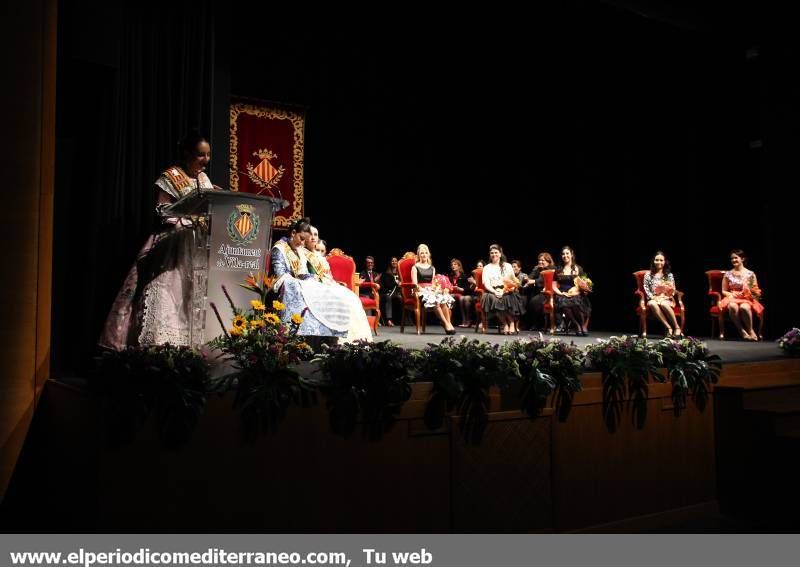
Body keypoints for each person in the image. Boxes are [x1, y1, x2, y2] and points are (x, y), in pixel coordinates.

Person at [99, 130, 216, 349]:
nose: (206, 160)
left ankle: (192, 346)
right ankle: (161, 346)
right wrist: (186, 221)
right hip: (173, 244)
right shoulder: (171, 176)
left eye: (208, 155)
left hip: (197, 244)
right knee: (169, 292)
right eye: (201, 155)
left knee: (194, 295)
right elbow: (163, 211)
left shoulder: (204, 179)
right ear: (187, 154)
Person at [271, 218, 372, 343]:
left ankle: (328, 337)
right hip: (288, 283)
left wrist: (309, 278)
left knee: (340, 293)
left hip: (303, 282)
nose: (303, 243)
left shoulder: (298, 248)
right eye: (302, 239)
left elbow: (303, 272)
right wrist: (301, 280)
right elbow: (280, 275)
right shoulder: (280, 249)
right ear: (293, 233)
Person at [480, 244, 525, 335]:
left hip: (507, 291)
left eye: (496, 252)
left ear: (500, 254)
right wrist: (495, 291)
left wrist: (505, 290)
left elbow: (513, 281)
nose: (494, 254)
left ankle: (511, 323)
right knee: (494, 299)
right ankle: (505, 324)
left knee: (505, 298)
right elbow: (486, 283)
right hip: (492, 291)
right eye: (492, 253)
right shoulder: (486, 268)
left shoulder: (507, 266)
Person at [719, 249, 764, 341]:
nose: (733, 260)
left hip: (746, 298)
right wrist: (732, 294)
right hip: (733, 298)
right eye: (732, 258)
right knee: (732, 306)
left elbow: (755, 289)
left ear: (742, 259)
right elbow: (724, 291)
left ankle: (751, 330)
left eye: (736, 258)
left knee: (744, 307)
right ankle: (742, 331)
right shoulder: (728, 274)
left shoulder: (750, 274)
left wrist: (748, 292)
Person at [411, 244, 456, 334]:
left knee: (443, 300)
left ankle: (448, 324)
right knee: (435, 301)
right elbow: (414, 284)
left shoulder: (432, 268)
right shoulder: (415, 267)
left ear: (428, 254)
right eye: (422, 253)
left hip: (430, 290)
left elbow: (433, 283)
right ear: (419, 255)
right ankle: (446, 324)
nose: (424, 255)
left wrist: (436, 289)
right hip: (419, 291)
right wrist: (425, 290)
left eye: (426, 253)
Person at [553, 246, 591, 336]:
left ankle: (582, 325)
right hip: (563, 293)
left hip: (576, 292)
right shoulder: (558, 269)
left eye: (567, 253)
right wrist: (560, 293)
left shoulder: (578, 268)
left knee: (576, 302)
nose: (565, 255)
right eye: (563, 254)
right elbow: (554, 286)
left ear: (571, 254)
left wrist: (585, 287)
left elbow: (584, 282)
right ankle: (577, 325)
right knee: (564, 303)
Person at [643, 251, 681, 336]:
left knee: (663, 304)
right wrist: (652, 297)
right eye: (657, 260)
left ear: (664, 262)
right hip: (653, 298)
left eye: (661, 260)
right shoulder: (648, 274)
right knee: (652, 303)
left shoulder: (669, 275)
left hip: (666, 298)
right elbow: (646, 288)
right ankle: (668, 327)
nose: (659, 262)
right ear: (653, 261)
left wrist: (666, 296)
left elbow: (673, 289)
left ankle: (677, 327)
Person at [523, 252, 555, 331]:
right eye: (539, 260)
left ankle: (539, 324)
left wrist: (533, 281)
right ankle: (532, 324)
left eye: (542, 260)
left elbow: (543, 280)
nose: (540, 262)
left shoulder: (551, 268)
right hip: (538, 291)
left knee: (535, 301)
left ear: (548, 261)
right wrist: (527, 278)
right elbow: (530, 277)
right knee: (525, 298)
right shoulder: (537, 269)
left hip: (548, 292)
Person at [449, 258, 475, 328]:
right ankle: (450, 320)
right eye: (452, 265)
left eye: (455, 264)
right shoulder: (451, 276)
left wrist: (460, 289)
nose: (453, 266)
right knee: (450, 297)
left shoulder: (464, 276)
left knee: (461, 298)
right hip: (453, 293)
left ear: (459, 266)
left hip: (463, 294)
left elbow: (468, 289)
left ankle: (467, 320)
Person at [379, 257, 402, 326]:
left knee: (402, 298)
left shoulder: (401, 273)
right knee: (388, 297)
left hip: (399, 292)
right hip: (388, 292)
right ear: (390, 263)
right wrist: (395, 282)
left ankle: (404, 320)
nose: (394, 262)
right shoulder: (386, 274)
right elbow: (386, 286)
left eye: (395, 261)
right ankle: (389, 320)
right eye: (392, 261)